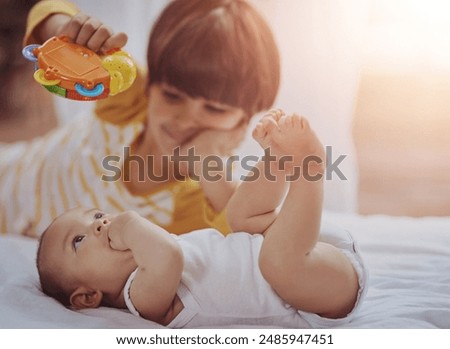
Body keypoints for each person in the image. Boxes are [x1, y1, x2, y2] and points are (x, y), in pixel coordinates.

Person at [36, 111, 367, 328]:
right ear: (87, 296)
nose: (98, 225)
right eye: (78, 241)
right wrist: (128, 223)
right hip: (316, 292)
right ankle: (308, 169)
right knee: (277, 262)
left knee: (240, 215)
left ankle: (279, 159)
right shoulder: (140, 298)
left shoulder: (143, 259)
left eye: (96, 215)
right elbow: (168, 255)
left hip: (294, 244)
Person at [0, 0, 280, 236]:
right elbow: (45, 10)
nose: (185, 119)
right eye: (172, 96)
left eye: (215, 109)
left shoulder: (201, 200)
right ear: (150, 86)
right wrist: (64, 30)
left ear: (243, 123)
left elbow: (247, 240)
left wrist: (210, 165)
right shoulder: (128, 95)